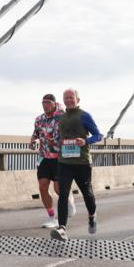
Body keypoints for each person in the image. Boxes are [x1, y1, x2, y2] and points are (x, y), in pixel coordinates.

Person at [50, 88, 102, 241]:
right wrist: (57, 143)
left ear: (77, 100)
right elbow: (61, 137)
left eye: (71, 98)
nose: (68, 100)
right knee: (63, 194)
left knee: (87, 193)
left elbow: (99, 135)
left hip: (82, 162)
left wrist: (85, 141)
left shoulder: (84, 116)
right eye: (66, 98)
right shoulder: (61, 117)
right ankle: (62, 229)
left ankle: (92, 216)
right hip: (64, 162)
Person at [31, 93, 74, 228]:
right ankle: (51, 217)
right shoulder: (39, 119)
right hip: (44, 157)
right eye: (43, 103)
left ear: (54, 103)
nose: (45, 105)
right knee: (43, 186)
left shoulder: (63, 117)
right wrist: (33, 141)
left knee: (58, 189)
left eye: (48, 103)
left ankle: (68, 198)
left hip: (59, 158)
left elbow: (70, 134)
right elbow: (36, 134)